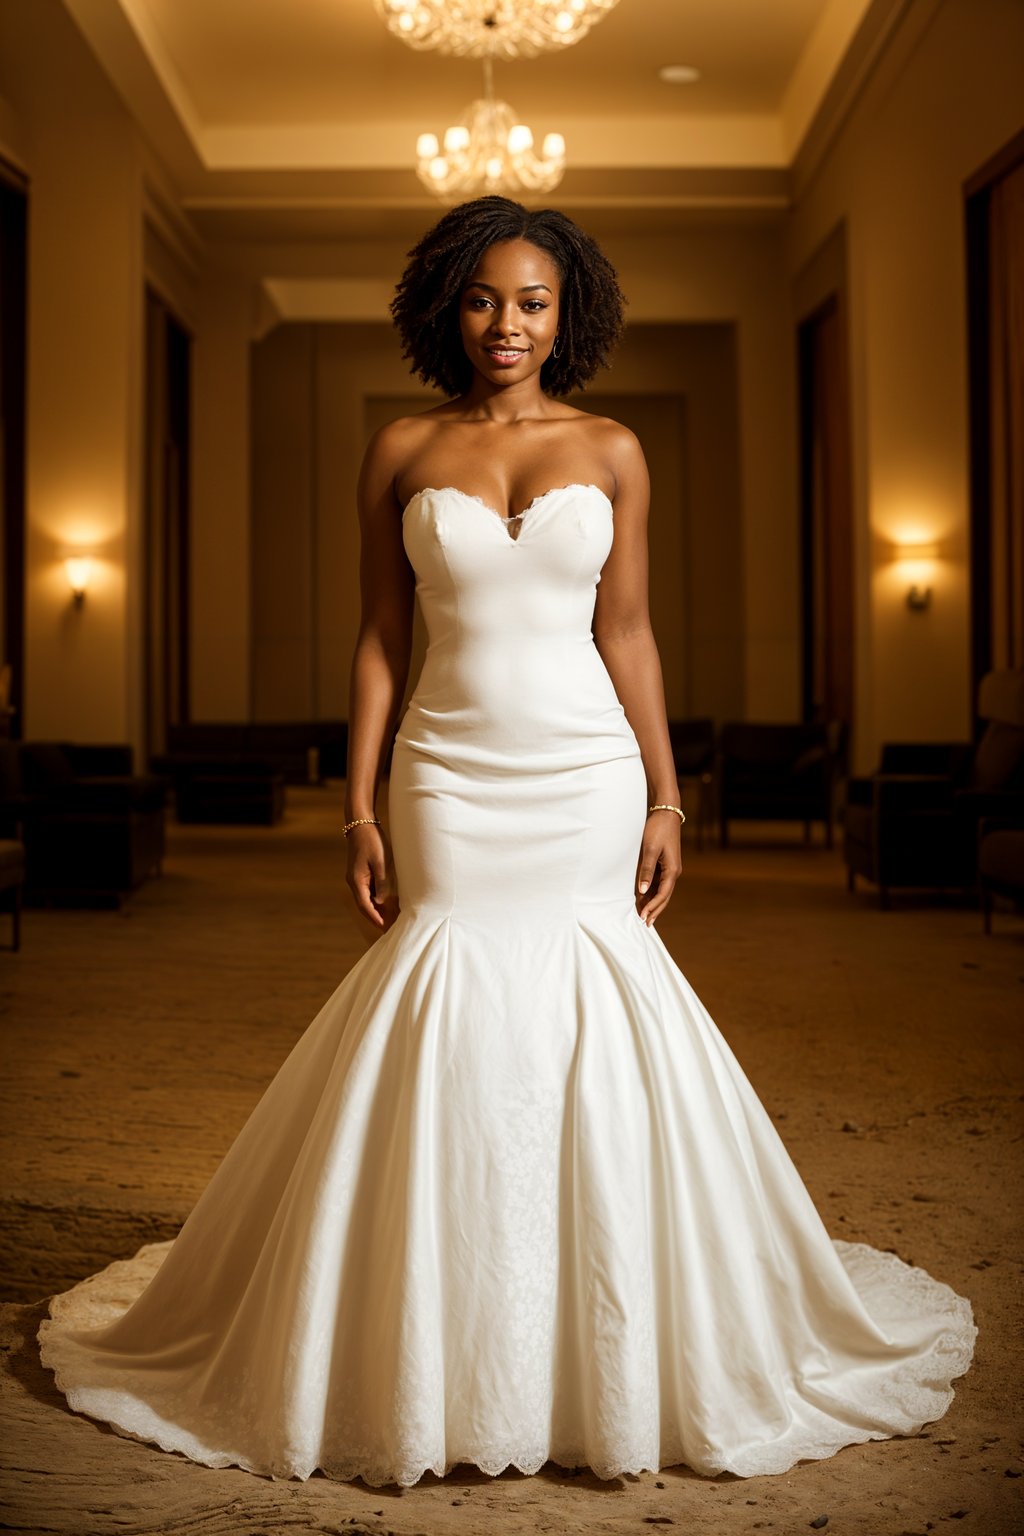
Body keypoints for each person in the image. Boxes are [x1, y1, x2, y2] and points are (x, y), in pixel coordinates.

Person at [38, 196, 975, 1489]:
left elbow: (629, 632)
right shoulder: (400, 446)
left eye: (533, 301)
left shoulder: (615, 447)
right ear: (447, 307)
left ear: (567, 312)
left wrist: (664, 796)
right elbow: (378, 638)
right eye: (484, 299)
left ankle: (602, 1332)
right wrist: (360, 805)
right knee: (448, 993)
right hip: (446, 775)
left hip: (585, 772)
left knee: (594, 1002)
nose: (507, 325)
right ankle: (439, 1323)